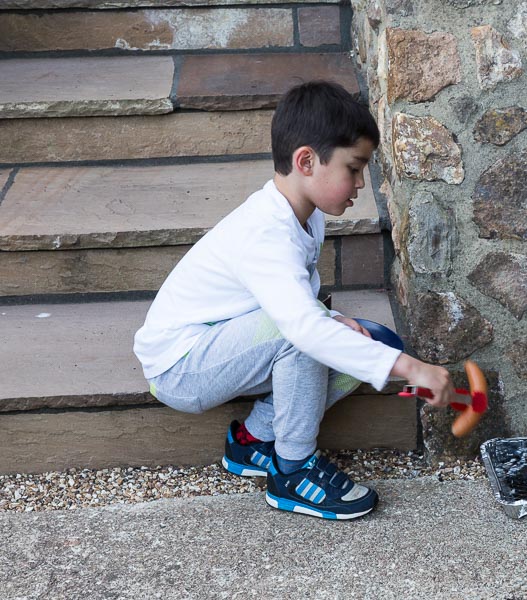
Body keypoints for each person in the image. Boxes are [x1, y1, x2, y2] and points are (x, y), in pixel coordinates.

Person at [133, 81, 453, 520]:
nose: (361, 183)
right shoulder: (266, 232)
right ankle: (292, 469)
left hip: (232, 345)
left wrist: (340, 322)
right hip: (182, 366)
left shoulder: (305, 217)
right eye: (354, 168)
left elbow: (300, 303)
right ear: (306, 161)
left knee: (373, 342)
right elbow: (300, 325)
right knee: (303, 335)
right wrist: (413, 370)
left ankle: (254, 442)